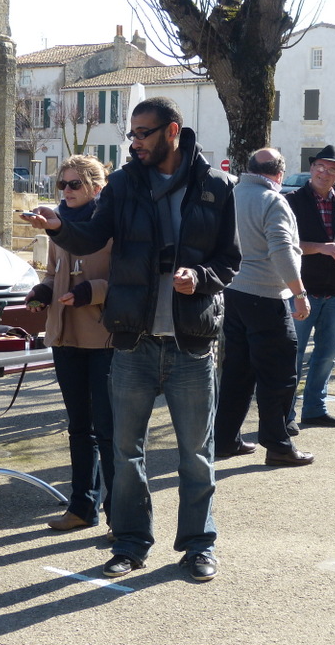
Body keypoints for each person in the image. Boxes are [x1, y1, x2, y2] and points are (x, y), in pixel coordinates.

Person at [22, 96, 240, 583]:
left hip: (191, 342)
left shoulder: (217, 187)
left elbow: (230, 262)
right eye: (132, 134)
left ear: (173, 131)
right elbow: (91, 237)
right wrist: (59, 226)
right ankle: (130, 542)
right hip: (133, 340)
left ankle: (199, 546)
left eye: (143, 133)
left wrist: (199, 278)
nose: (135, 142)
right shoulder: (121, 185)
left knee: (196, 454)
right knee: (125, 451)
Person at [25, 155, 114, 535]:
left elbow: (127, 281)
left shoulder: (110, 223)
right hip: (65, 336)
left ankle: (120, 515)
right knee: (78, 427)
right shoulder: (55, 222)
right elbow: (53, 271)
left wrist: (89, 292)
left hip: (103, 338)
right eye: (62, 184)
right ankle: (82, 506)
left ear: (96, 187)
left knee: (109, 429)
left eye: (75, 184)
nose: (66, 191)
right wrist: (42, 291)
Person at [214, 149, 315, 467]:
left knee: (237, 372)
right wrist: (299, 293)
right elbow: (282, 248)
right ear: (279, 174)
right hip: (266, 296)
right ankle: (278, 444)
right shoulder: (273, 201)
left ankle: (225, 439)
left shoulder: (231, 195)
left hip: (232, 293)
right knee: (279, 374)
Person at [284, 145, 335, 433]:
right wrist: (321, 248)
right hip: (301, 292)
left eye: (331, 169)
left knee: (327, 354)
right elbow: (285, 245)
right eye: (320, 166)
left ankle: (315, 410)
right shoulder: (292, 201)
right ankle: (285, 414)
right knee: (291, 356)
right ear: (311, 169)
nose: (324, 172)